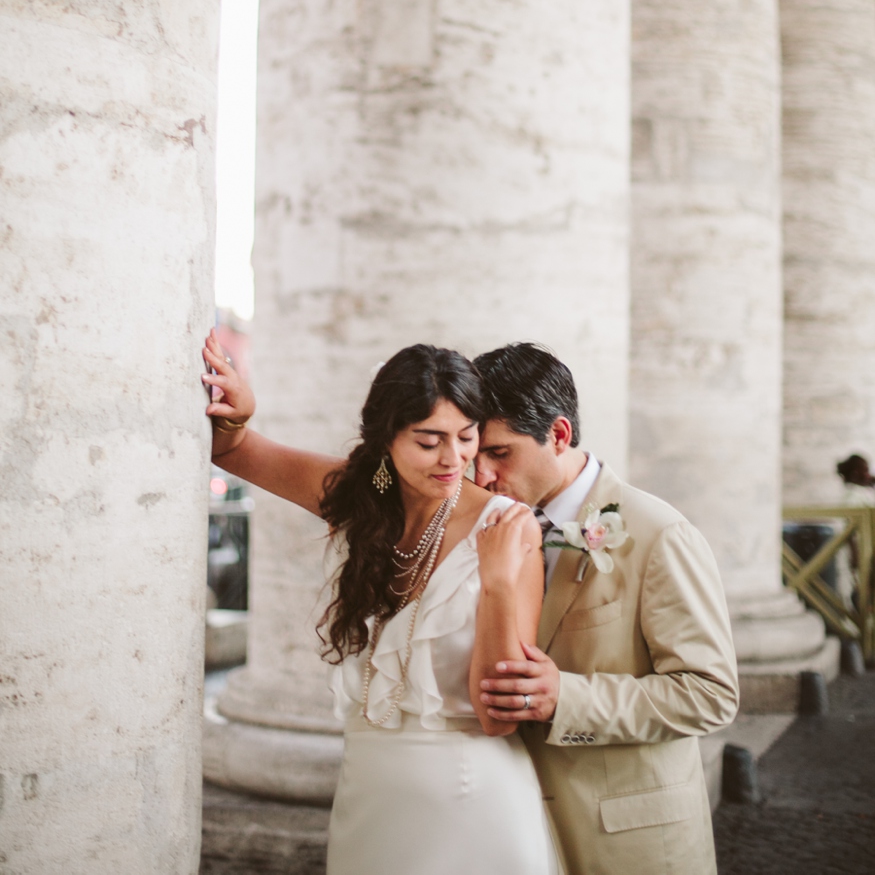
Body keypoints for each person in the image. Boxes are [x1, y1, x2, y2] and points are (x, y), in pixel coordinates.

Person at [201, 330, 559, 875]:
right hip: (371, 795)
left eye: (466, 437)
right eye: (428, 440)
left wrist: (500, 585)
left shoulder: (508, 529)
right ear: (385, 438)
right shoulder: (358, 494)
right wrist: (240, 413)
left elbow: (497, 716)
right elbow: (233, 451)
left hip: (471, 803)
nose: (452, 459)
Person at [471, 342, 739, 875]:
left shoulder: (660, 534)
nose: (481, 476)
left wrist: (565, 696)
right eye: (473, 454)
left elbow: (711, 694)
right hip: (517, 832)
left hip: (633, 842)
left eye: (499, 453)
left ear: (560, 434)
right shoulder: (489, 526)